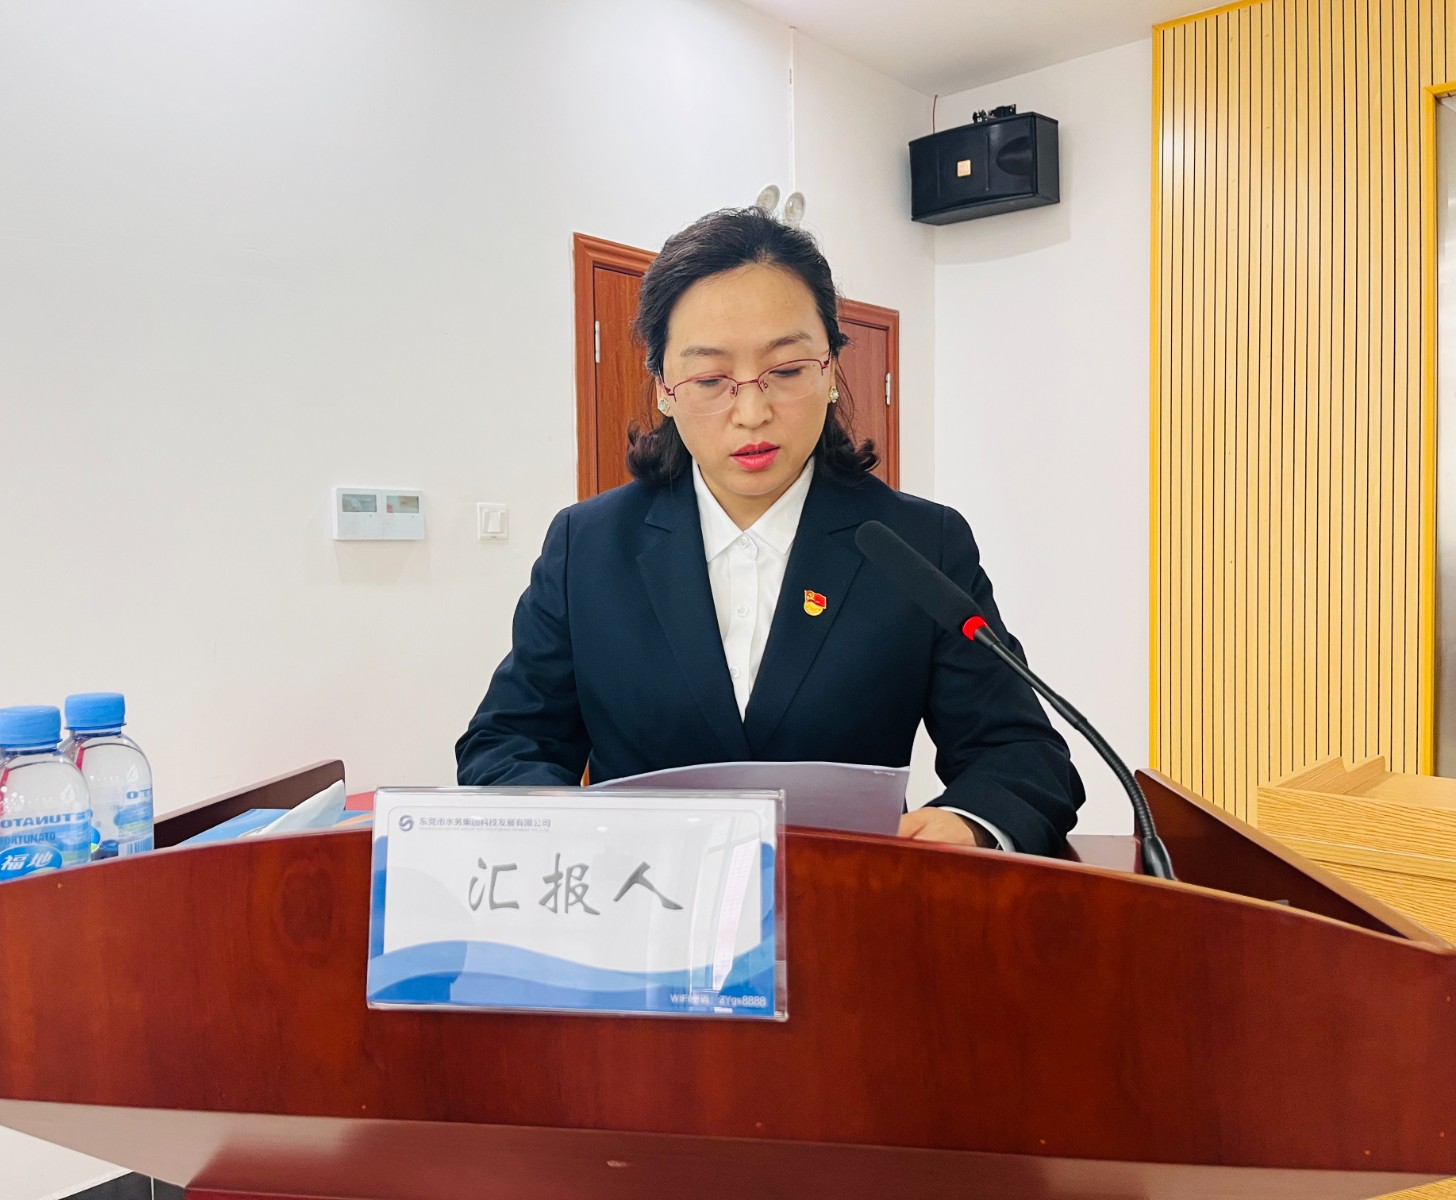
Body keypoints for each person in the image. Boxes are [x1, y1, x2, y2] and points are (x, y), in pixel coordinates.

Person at [456, 207, 1083, 857]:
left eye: (786, 371)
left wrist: (967, 822)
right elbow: (508, 742)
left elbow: (1020, 752)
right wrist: (558, 825)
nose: (752, 412)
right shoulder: (587, 546)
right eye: (710, 379)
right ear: (664, 387)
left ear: (830, 370)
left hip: (850, 899)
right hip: (642, 898)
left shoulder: (919, 544)